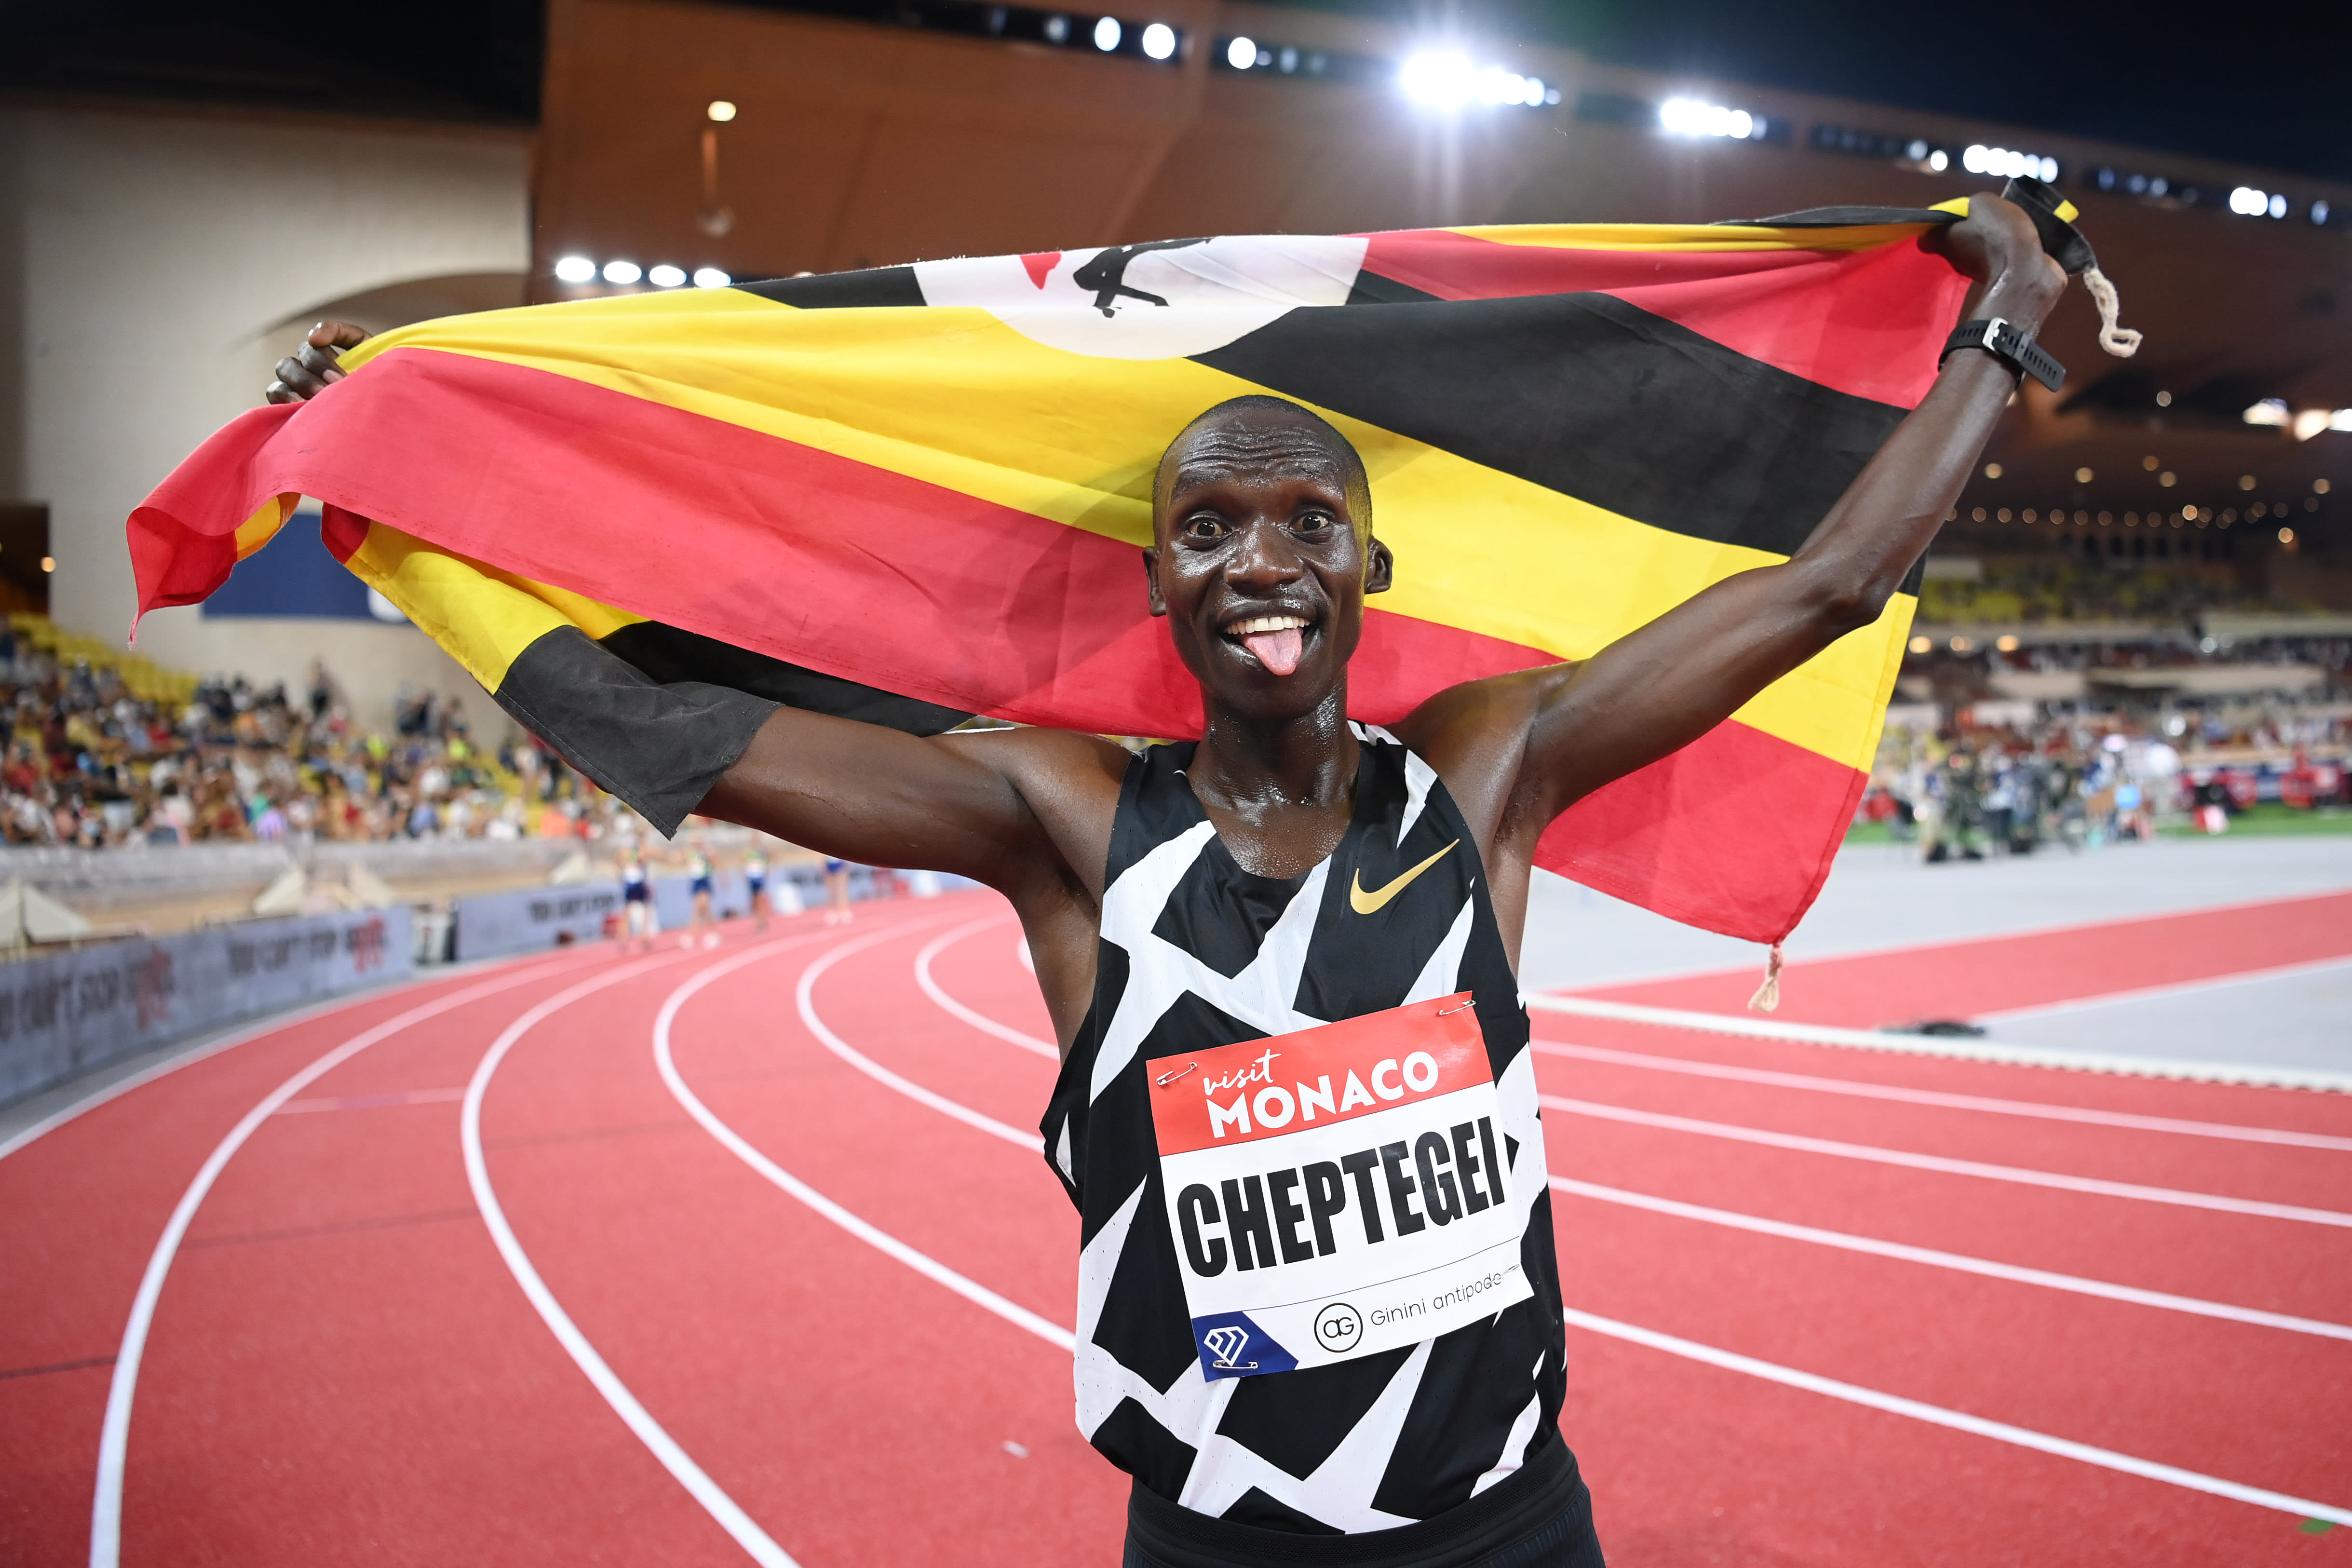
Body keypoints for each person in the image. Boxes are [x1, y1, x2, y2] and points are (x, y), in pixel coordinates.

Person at [268, 201, 2063, 1567]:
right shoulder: (1069, 819)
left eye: (1299, 523)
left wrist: (2000, 328)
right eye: (1207, 527)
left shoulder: (1484, 770)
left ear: (1369, 561)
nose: (1258, 559)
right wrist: (399, 494)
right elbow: (700, 738)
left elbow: (1825, 581)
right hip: (1223, 1530)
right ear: (1156, 583)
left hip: (1503, 1519)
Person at [619, 841, 657, 952]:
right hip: (638, 883)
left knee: (627, 911)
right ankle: (643, 937)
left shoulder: (625, 852)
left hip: (629, 883)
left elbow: (620, 864)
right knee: (645, 910)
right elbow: (643, 861)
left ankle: (624, 938)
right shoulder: (641, 851)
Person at [744, 839, 770, 932]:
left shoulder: (762, 852)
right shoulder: (749, 852)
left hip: (759, 878)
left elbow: (770, 859)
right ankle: (760, 921)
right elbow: (744, 862)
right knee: (754, 903)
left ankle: (762, 922)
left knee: (759, 901)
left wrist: (767, 870)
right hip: (752, 878)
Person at [821, 857, 853, 926]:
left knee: (841, 889)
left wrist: (848, 863)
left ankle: (844, 911)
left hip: (840, 863)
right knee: (831, 890)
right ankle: (833, 912)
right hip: (828, 863)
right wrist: (822, 864)